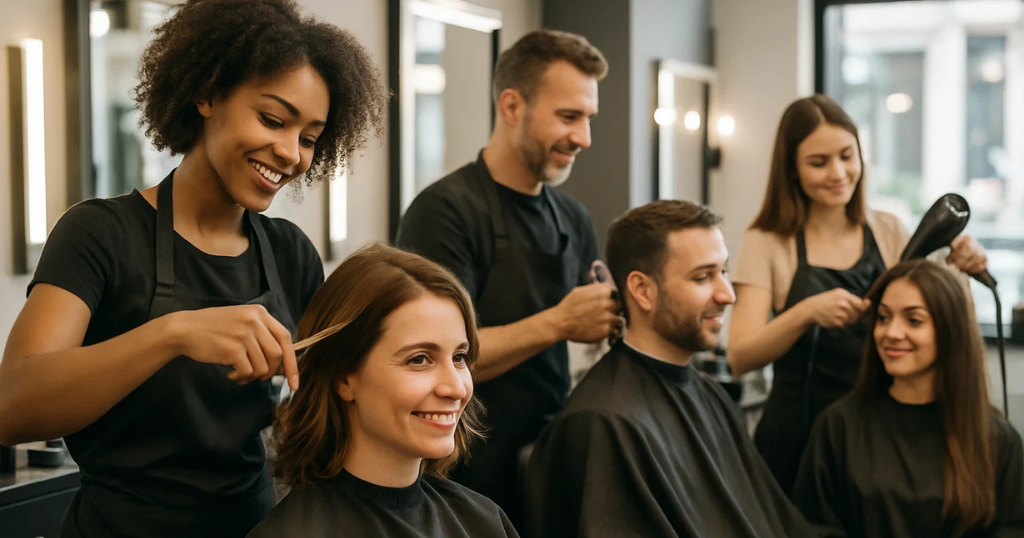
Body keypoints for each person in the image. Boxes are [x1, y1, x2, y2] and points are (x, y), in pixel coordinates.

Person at [0, 1, 388, 536]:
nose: (290, 153)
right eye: (273, 120)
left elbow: (329, 402)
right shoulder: (100, 234)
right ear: (206, 94)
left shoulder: (290, 253)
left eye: (308, 138)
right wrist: (173, 333)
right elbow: (13, 406)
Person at [395, 29, 620, 526]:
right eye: (569, 117)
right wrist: (559, 322)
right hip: (462, 464)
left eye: (588, 119)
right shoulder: (444, 212)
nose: (583, 138)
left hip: (545, 457)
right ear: (512, 106)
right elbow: (435, 361)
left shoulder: (573, 217)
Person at [727, 94, 989, 494]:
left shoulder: (888, 229)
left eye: (848, 156)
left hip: (879, 434)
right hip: (796, 438)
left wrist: (961, 273)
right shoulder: (767, 241)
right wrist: (806, 312)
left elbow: (943, 322)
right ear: (792, 170)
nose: (838, 173)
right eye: (819, 162)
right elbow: (740, 356)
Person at [526, 200, 816, 538]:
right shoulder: (602, 422)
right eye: (703, 277)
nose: (727, 294)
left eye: (723, 271)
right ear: (642, 291)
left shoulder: (710, 395)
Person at [248, 245, 519, 538]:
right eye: (419, 359)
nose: (455, 388)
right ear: (344, 377)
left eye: (459, 357)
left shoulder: (484, 521)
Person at [793, 259, 1024, 537]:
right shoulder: (838, 427)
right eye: (883, 317)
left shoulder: (997, 441)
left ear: (951, 331)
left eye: (914, 320)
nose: (891, 333)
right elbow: (813, 528)